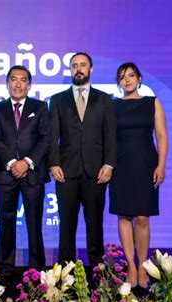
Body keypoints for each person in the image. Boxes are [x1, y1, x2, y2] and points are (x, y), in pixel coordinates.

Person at [48, 52, 117, 267]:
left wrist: (109, 163)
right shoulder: (58, 99)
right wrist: (53, 163)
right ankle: (65, 274)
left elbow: (110, 135)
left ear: (91, 69)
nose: (78, 69)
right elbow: (52, 136)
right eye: (74, 65)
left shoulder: (104, 99)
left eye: (83, 65)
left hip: (96, 171)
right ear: (70, 70)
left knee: (95, 224)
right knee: (66, 225)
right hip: (66, 172)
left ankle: (98, 271)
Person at [0, 65, 50, 284]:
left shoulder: (41, 107)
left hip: (32, 174)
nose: (17, 84)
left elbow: (45, 138)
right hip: (6, 175)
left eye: (22, 80)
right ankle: (5, 270)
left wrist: (27, 162)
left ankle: (37, 269)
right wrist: (13, 162)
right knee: (6, 223)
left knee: (34, 224)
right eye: (13, 79)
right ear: (7, 83)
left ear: (29, 84)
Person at [109, 62, 168, 288]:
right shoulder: (112, 106)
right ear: (119, 83)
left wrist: (161, 165)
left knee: (143, 217)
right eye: (122, 77)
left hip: (146, 166)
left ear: (140, 79)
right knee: (124, 216)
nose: (127, 80)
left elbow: (161, 136)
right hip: (120, 167)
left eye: (131, 75)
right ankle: (131, 269)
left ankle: (143, 266)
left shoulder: (152, 103)